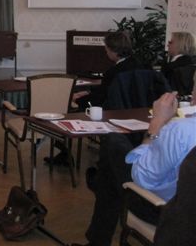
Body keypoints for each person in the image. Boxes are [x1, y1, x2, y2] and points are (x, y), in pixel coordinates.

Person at [75, 92, 196, 246]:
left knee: (112, 144)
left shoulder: (180, 130)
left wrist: (157, 123)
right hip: (187, 215)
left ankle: (97, 240)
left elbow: (141, 177)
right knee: (115, 158)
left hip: (166, 213)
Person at [74, 30, 142, 109]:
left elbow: (100, 98)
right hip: (140, 109)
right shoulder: (141, 65)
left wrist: (78, 100)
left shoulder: (114, 72)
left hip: (115, 111)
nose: (106, 53)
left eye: (106, 50)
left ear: (114, 51)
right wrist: (89, 92)